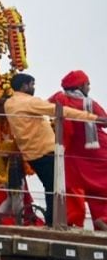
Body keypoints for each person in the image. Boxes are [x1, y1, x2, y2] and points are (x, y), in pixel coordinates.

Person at [5, 73, 104, 225]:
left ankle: (54, 223)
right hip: (46, 152)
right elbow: (61, 111)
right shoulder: (29, 102)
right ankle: (52, 225)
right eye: (32, 85)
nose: (34, 88)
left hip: (32, 153)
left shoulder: (10, 103)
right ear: (24, 86)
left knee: (53, 188)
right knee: (55, 188)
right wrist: (93, 118)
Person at [48, 71, 107, 230]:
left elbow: (46, 107)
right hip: (98, 152)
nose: (89, 87)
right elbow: (105, 121)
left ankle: (72, 221)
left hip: (74, 153)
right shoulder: (89, 103)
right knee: (102, 190)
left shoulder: (59, 99)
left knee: (74, 186)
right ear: (81, 86)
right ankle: (102, 219)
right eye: (87, 84)